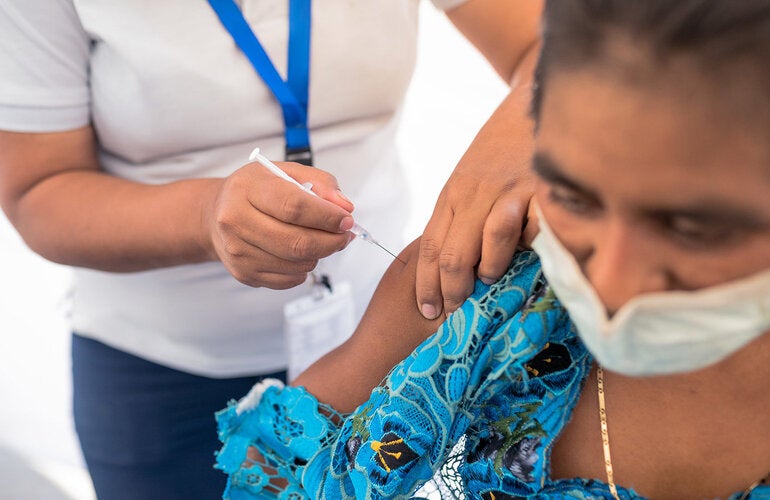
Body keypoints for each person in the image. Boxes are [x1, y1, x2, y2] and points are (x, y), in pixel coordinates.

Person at [214, 0, 770, 498]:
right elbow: (277, 469)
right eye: (575, 197)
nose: (610, 284)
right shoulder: (487, 288)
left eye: (694, 227)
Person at [0, 1, 541, 498]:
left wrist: (491, 166)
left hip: (379, 351)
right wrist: (206, 215)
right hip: (162, 376)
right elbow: (36, 191)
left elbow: (551, 44)